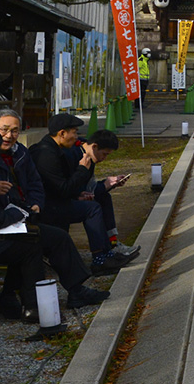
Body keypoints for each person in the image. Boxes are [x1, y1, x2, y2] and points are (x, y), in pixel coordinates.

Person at [0, 126, 108, 321]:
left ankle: (71, 291)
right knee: (30, 246)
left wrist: (6, 199)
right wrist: (21, 213)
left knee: (53, 236)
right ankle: (30, 305)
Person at [32, 115, 138, 275]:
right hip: (48, 206)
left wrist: (80, 193)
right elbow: (63, 188)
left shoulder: (59, 149)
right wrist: (83, 171)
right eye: (74, 132)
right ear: (62, 133)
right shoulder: (49, 154)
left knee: (99, 200)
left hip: (57, 200)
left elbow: (66, 187)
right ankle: (100, 259)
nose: (77, 137)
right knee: (92, 209)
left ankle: (109, 249)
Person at [0, 109, 44, 217]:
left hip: (24, 211)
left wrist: (36, 203)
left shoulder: (21, 152)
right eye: (4, 129)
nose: (9, 136)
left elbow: (35, 182)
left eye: (14, 131)